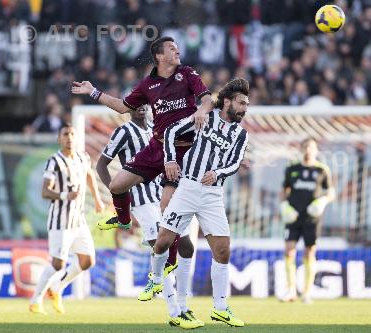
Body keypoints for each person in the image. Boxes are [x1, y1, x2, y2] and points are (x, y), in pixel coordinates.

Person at [72, 36, 211, 327]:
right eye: (172, 48)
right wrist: (94, 92)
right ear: (159, 55)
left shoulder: (188, 74)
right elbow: (123, 106)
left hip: (184, 152)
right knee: (117, 186)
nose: (178, 50)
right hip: (158, 150)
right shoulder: (148, 86)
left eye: (177, 47)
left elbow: (207, 98)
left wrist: (201, 109)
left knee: (173, 231)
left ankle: (174, 301)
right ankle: (123, 220)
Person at [152, 78, 250, 328]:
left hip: (213, 194)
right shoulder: (205, 117)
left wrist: (217, 173)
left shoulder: (240, 134)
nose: (244, 108)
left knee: (223, 250)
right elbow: (172, 131)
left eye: (247, 104)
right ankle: (156, 280)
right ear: (227, 101)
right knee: (163, 241)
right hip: (188, 187)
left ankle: (219, 307)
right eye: (241, 102)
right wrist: (170, 160)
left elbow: (236, 163)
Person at [95, 105, 198, 323]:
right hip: (142, 201)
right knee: (162, 250)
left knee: (187, 246)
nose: (141, 107)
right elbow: (101, 165)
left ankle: (183, 303)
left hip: (165, 194)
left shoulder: (157, 129)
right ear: (128, 108)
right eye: (136, 103)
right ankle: (176, 311)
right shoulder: (123, 132)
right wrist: (119, 196)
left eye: (144, 102)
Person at [29, 124, 104, 315]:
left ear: (76, 138)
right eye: (65, 134)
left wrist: (97, 199)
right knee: (58, 263)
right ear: (59, 139)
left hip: (78, 219)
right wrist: (65, 195)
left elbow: (89, 175)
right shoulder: (54, 161)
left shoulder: (83, 157)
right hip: (60, 220)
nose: (69, 137)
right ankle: (36, 300)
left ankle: (57, 288)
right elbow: (45, 191)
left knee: (87, 261)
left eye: (72, 134)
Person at [279, 138, 335, 303]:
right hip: (293, 216)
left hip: (312, 217)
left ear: (316, 150)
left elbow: (331, 193)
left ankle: (307, 292)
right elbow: (284, 190)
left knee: (309, 251)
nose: (308, 150)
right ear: (301, 149)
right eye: (305, 147)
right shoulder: (292, 168)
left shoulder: (322, 170)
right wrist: (284, 206)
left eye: (311, 147)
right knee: (289, 249)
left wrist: (322, 202)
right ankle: (290, 291)